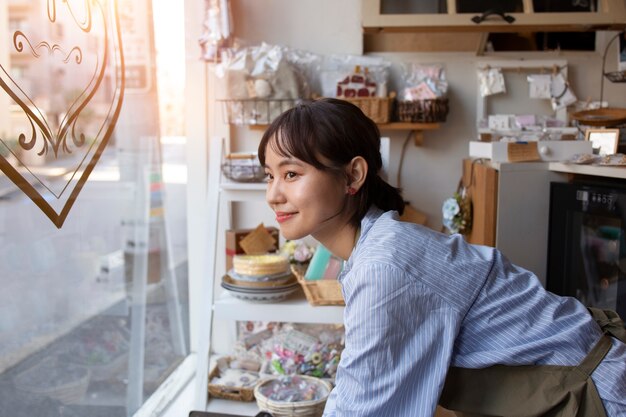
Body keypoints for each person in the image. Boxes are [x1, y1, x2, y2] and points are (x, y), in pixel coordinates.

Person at [258, 98, 626, 417]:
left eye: (291, 173)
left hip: (599, 396)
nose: (273, 194)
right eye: (269, 176)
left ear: (353, 174)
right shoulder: (376, 247)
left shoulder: (384, 263)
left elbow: (365, 406)